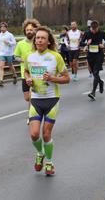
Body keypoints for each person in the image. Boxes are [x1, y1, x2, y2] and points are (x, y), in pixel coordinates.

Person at [24, 26, 70, 176]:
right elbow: (26, 71)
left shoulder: (55, 56)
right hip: (36, 100)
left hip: (52, 100)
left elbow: (66, 78)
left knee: (46, 134)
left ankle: (49, 163)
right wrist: (29, 79)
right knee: (34, 134)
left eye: (43, 38)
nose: (39, 40)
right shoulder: (30, 56)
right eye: (37, 38)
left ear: (49, 41)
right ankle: (40, 153)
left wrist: (52, 78)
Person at [81, 20, 105, 101]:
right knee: (94, 73)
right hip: (90, 55)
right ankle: (100, 82)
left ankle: (93, 92)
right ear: (90, 28)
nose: (93, 31)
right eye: (92, 29)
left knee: (96, 72)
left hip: (99, 55)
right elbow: (81, 43)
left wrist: (103, 45)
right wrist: (87, 44)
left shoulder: (102, 33)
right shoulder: (87, 33)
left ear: (98, 28)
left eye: (95, 29)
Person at [14, 19, 40, 102]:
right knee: (27, 98)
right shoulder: (20, 43)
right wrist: (21, 59)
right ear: (25, 31)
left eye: (31, 30)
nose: (29, 31)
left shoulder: (38, 42)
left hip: (37, 72)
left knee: (35, 97)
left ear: (35, 31)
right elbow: (15, 56)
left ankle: (33, 113)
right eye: (27, 30)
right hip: (24, 73)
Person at [0, 22, 17, 87]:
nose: (2, 28)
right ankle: (1, 81)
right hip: (2, 53)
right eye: (1, 27)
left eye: (3, 27)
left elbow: (14, 43)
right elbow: (0, 42)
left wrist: (8, 43)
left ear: (6, 28)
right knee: (1, 66)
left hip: (9, 53)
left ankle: (14, 75)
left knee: (10, 65)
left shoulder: (10, 35)